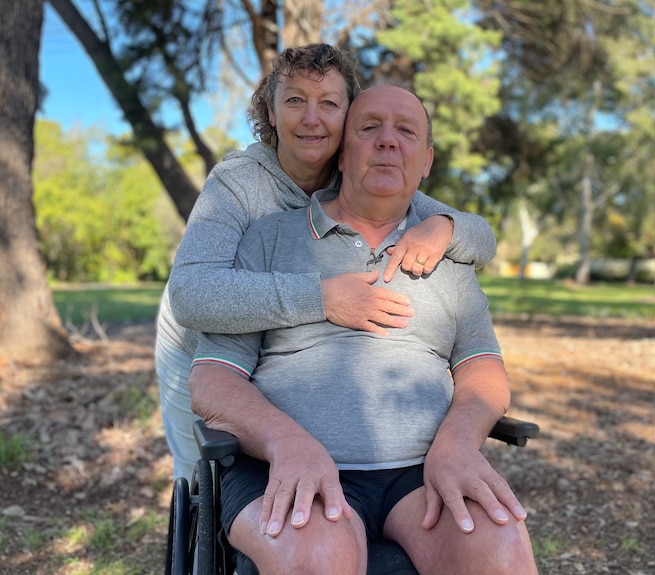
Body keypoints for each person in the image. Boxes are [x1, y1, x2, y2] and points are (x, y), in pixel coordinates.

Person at [189, 85, 538, 575]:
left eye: (406, 131)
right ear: (341, 151)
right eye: (369, 128)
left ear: (426, 161)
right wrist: (285, 442)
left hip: (423, 471)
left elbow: (482, 368)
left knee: (498, 545)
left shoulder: (451, 255)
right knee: (317, 554)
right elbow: (212, 380)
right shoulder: (267, 239)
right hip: (283, 464)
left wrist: (458, 442)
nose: (388, 141)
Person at [155, 44, 497, 481]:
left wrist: (447, 226)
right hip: (199, 342)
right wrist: (321, 297)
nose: (311, 118)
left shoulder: (356, 168)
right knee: (197, 471)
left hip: (270, 338)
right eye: (294, 100)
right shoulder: (238, 183)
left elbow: (482, 239)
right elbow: (191, 295)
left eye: (329, 104)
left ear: (347, 116)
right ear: (271, 113)